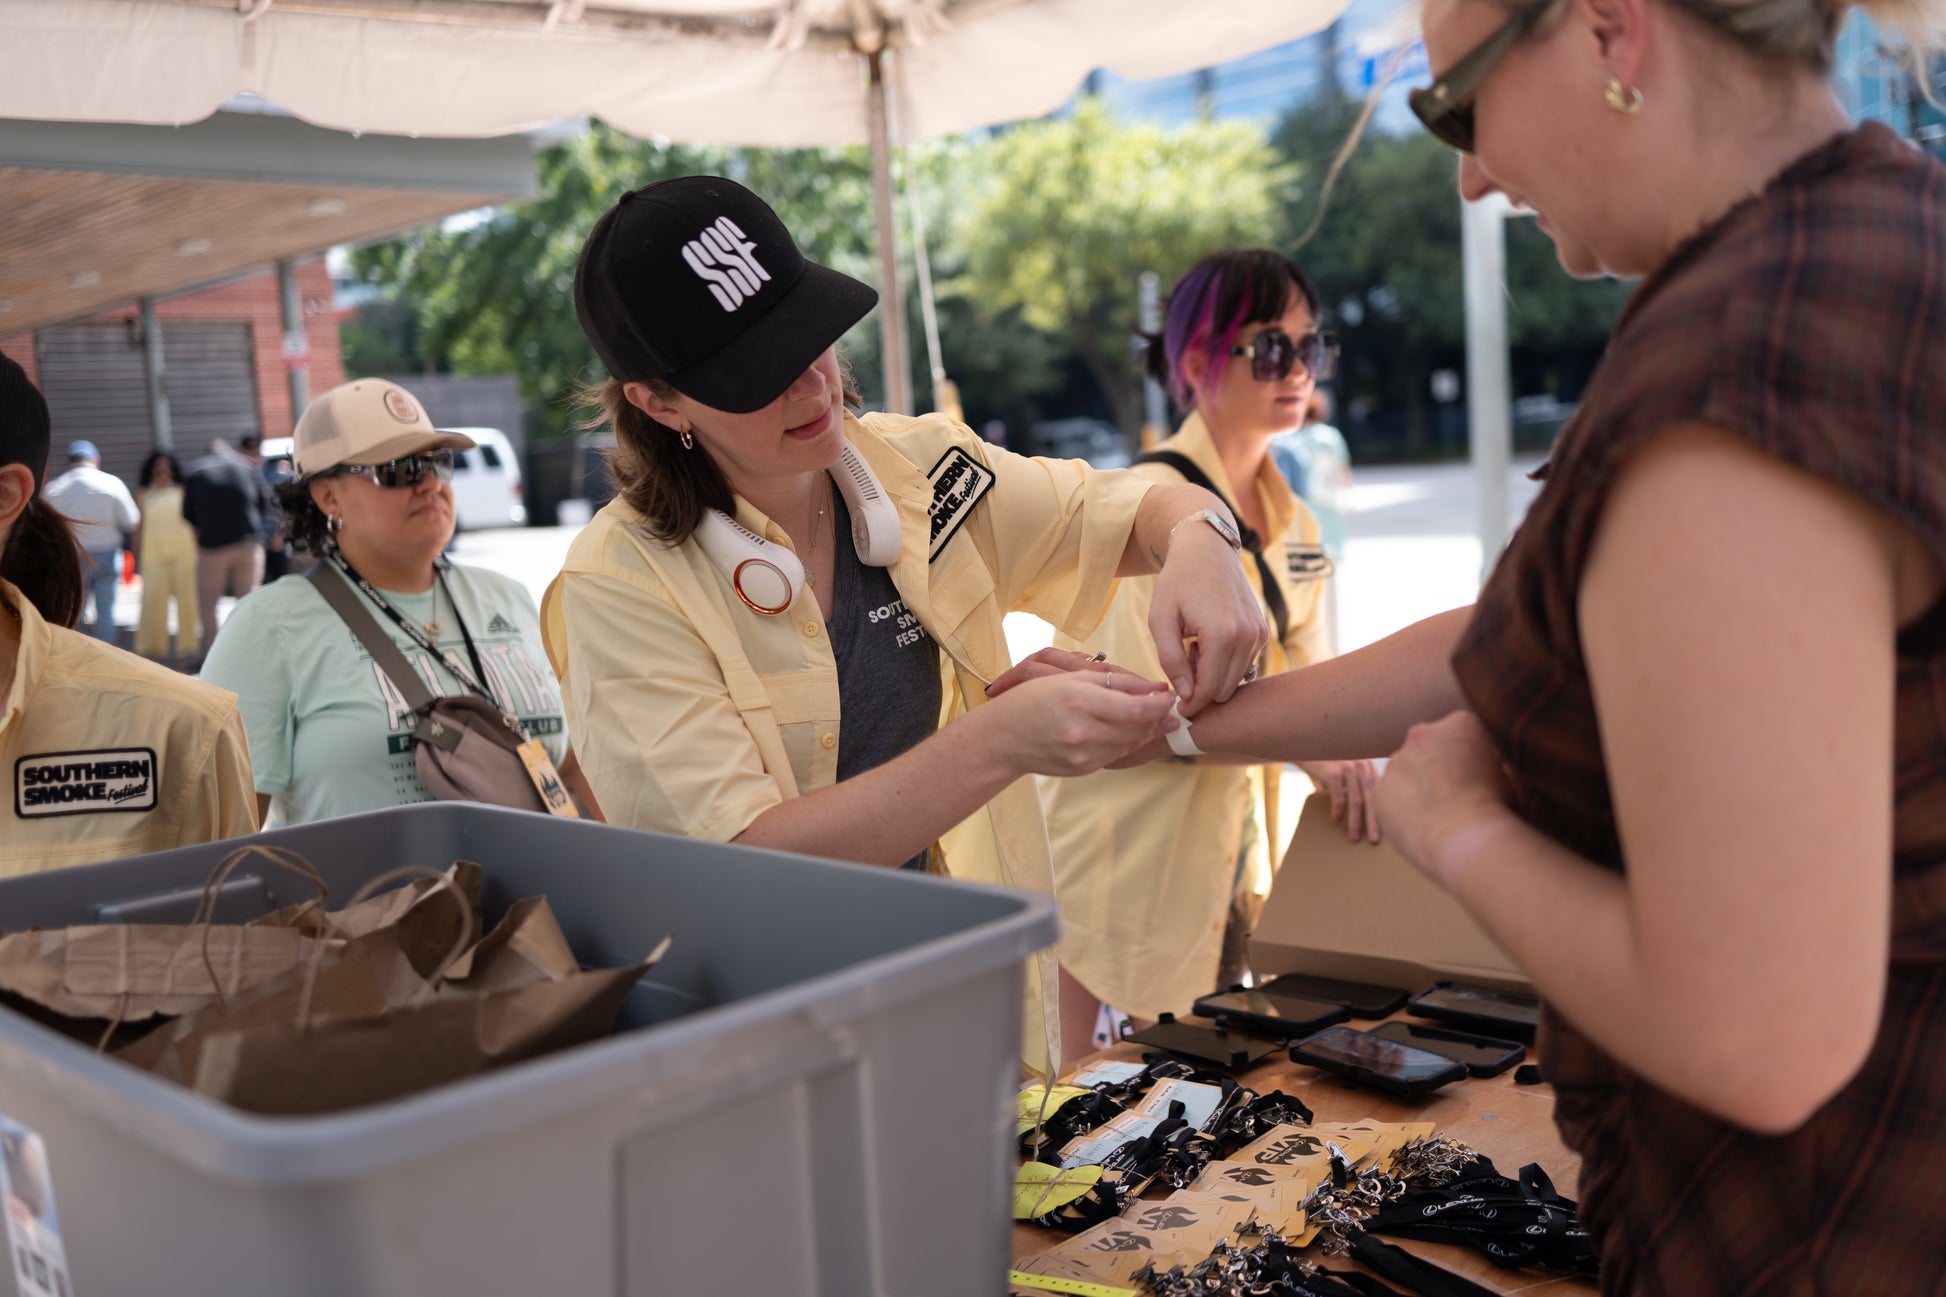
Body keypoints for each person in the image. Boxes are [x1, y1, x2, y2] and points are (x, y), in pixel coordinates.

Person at [1135, 0, 1946, 1286]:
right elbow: (1518, 638)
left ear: (1607, 32)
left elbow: (1755, 1035)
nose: (1470, 175)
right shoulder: (1882, 234)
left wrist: (1455, 826)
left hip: (1819, 1224)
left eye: (1456, 109)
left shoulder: (1738, 366)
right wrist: (1178, 730)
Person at [546, 176, 1269, 1074]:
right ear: (658, 402)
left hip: (947, 992)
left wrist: (1199, 533)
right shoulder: (618, 585)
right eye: (755, 372)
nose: (810, 385)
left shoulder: (918, 467)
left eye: (808, 337)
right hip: (767, 1044)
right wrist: (1000, 740)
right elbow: (746, 864)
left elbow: (1118, 508)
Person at [1038, 250, 1377, 1062]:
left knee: (1180, 1120)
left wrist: (1337, 746)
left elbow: (1316, 682)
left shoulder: (1295, 520)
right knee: (1055, 1107)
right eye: (1270, 348)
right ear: (1197, 361)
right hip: (1118, 857)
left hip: (1231, 863)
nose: (1296, 369)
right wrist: (1316, 747)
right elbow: (1149, 707)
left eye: (1310, 347)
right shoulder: (1150, 513)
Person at [202, 379, 578, 829]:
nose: (431, 484)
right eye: (400, 469)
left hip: (538, 895)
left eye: (439, 463)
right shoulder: (267, 625)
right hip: (368, 900)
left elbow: (575, 759)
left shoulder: (508, 597)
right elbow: (221, 834)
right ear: (328, 495)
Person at [0, 349, 255, 872]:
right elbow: (134, 520)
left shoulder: (180, 733)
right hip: (115, 554)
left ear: (7, 494)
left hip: (103, 557)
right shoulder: (118, 487)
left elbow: (242, 946)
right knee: (112, 611)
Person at [181, 437, 273, 659]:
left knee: (208, 602)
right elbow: (264, 501)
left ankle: (212, 654)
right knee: (248, 598)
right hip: (248, 543)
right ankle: (254, 651)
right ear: (229, 451)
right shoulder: (247, 466)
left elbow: (186, 514)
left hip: (212, 547)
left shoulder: (196, 471)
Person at [41, 439, 138, 645]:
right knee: (106, 610)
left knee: (75, 610)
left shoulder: (55, 488)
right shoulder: (112, 483)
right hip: (107, 552)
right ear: (96, 460)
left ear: (69, 462)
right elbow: (131, 520)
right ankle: (105, 655)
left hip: (72, 556)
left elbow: (45, 527)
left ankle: (77, 654)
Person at [133, 450, 199, 665]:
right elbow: (138, 527)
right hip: (153, 554)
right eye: (158, 467)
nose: (163, 471)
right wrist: (135, 555)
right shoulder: (144, 493)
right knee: (152, 601)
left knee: (187, 602)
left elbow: (193, 524)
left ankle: (187, 648)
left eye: (167, 467)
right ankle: (150, 648)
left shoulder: (184, 490)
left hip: (185, 552)